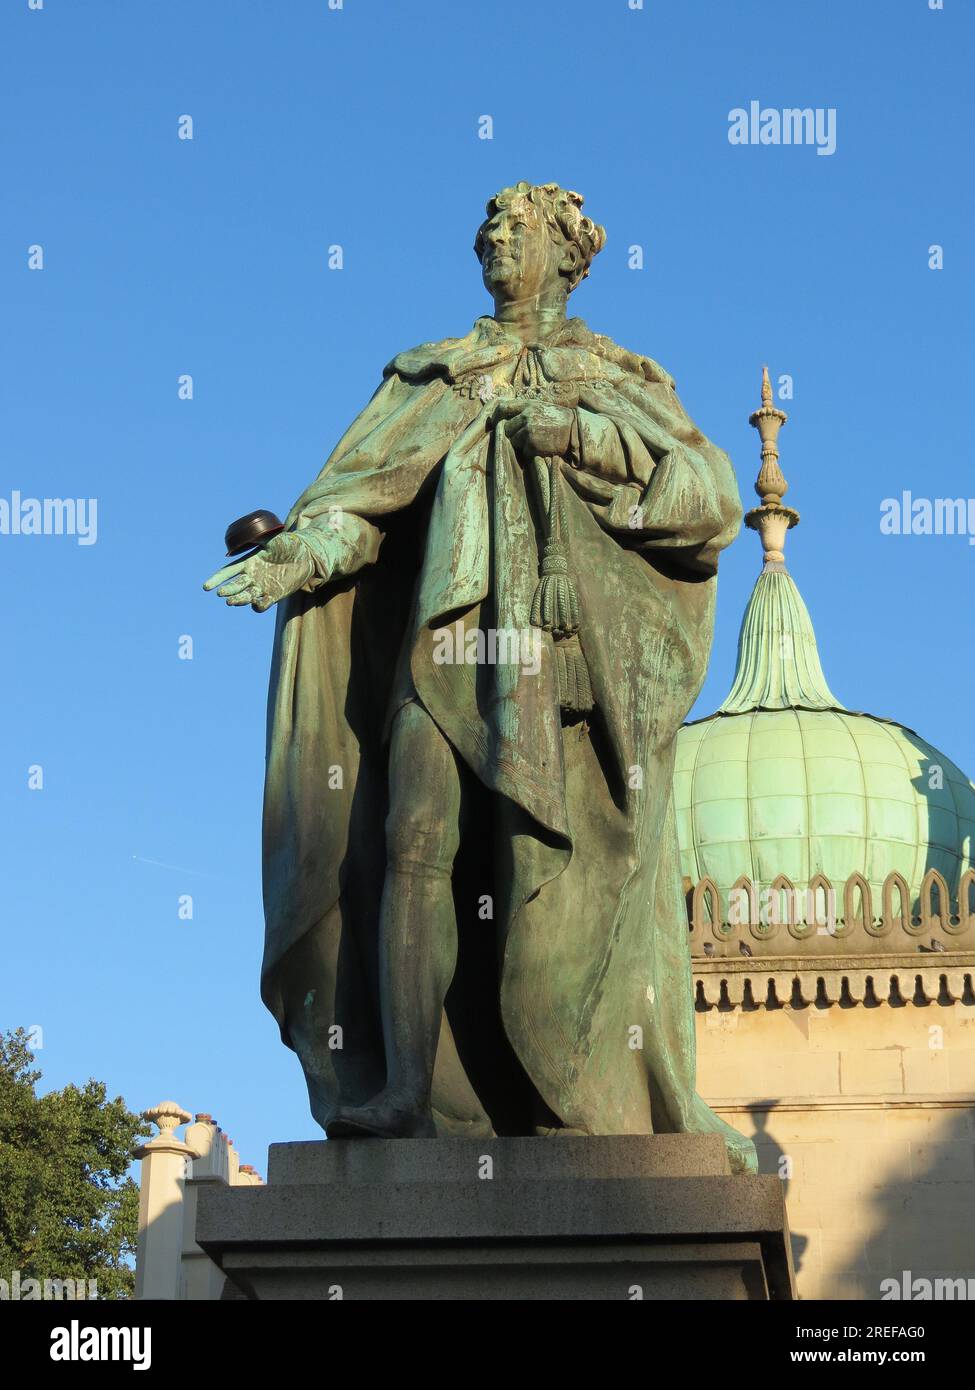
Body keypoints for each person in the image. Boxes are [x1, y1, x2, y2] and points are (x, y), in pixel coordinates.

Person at [204, 181, 756, 1172]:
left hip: (552, 663)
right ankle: (404, 1093)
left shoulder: (616, 373)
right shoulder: (436, 373)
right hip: (442, 640)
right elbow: (358, 500)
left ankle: (561, 1088)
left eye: (520, 228)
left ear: (569, 252)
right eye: (489, 228)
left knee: (529, 868)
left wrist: (581, 434)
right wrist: (302, 556)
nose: (498, 240)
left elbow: (708, 500)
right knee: (411, 841)